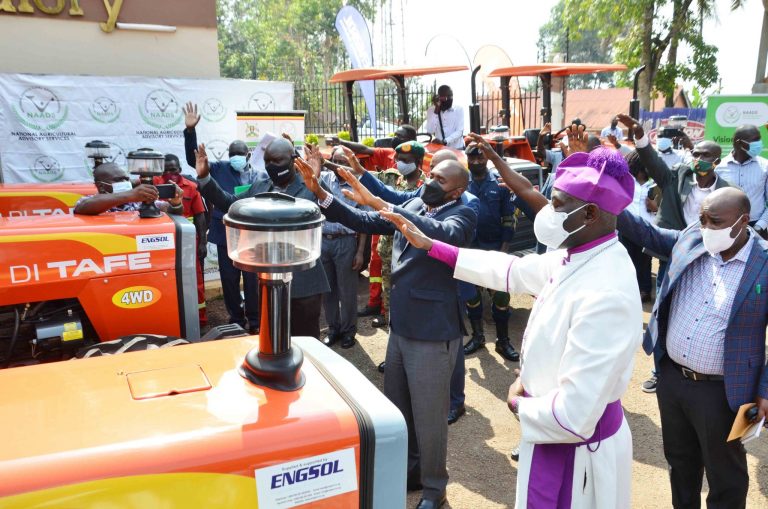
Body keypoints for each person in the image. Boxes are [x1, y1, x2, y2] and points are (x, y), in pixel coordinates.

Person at [387, 146, 641, 509]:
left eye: (557, 204)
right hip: (552, 438)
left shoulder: (607, 291)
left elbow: (575, 415)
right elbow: (510, 271)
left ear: (590, 212)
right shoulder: (579, 254)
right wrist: (433, 246)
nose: (547, 212)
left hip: (576, 455)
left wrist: (519, 402)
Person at [296, 154, 476, 509]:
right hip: (402, 327)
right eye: (431, 175)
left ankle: (434, 490)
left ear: (458, 189)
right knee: (399, 408)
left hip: (433, 331)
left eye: (441, 180)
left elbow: (436, 235)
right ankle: (412, 472)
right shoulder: (414, 201)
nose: (430, 182)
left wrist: (381, 202)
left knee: (430, 417)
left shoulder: (465, 214)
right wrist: (320, 192)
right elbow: (360, 217)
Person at [616, 186, 768, 509]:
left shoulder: (764, 264)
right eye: (701, 218)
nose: (705, 227)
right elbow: (647, 233)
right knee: (680, 464)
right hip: (672, 381)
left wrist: (765, 390)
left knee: (725, 477)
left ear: (742, 222)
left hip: (723, 393)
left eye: (714, 221)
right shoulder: (694, 237)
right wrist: (608, 201)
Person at [618, 113, 730, 393]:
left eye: (706, 156)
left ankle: (700, 366)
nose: (699, 160)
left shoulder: (727, 191)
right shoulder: (678, 176)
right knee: (663, 312)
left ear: (716, 160)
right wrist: (639, 138)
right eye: (696, 154)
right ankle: (659, 372)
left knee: (698, 313)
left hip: (709, 259)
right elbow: (653, 164)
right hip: (675, 252)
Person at [194, 138, 330, 339]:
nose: (271, 166)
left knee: (304, 342)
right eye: (267, 161)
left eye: (277, 161)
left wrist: (315, 182)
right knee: (273, 340)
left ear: (293, 160)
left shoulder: (312, 184)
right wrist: (205, 177)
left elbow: (310, 209)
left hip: (303, 284)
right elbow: (230, 203)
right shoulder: (260, 186)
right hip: (268, 281)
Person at [182, 101, 260, 332]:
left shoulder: (257, 175)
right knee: (228, 278)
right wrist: (190, 131)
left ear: (248, 155)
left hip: (251, 236)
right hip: (225, 234)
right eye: (232, 154)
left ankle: (255, 321)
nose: (235, 157)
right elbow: (193, 160)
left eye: (240, 154)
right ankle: (236, 318)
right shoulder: (219, 168)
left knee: (253, 280)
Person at [460, 141, 520, 362]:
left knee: (502, 298)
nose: (476, 161)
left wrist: (504, 251)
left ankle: (503, 342)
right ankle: (477, 338)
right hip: (469, 251)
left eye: (480, 158)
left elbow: (508, 219)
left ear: (487, 158)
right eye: (472, 158)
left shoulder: (499, 183)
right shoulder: (461, 182)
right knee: (472, 298)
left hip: (496, 250)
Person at [372, 141, 426, 329]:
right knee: (389, 296)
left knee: (411, 298)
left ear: (418, 161)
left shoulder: (426, 187)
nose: (399, 163)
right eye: (398, 159)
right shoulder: (392, 179)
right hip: (388, 251)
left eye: (405, 160)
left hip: (411, 254)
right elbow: (366, 179)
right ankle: (392, 333)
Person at [319, 147, 368, 349]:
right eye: (336, 160)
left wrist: (359, 251)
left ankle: (349, 331)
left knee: (347, 290)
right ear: (330, 161)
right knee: (327, 289)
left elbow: (365, 221)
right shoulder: (322, 179)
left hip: (346, 242)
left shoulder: (357, 185)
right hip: (323, 241)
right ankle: (334, 329)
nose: (340, 164)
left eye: (344, 161)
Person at [155, 154, 209, 326]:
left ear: (180, 169)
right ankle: (171, 318)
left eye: (175, 169)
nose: (171, 173)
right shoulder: (153, 186)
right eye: (167, 170)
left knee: (195, 280)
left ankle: (199, 320)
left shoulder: (191, 187)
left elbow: (200, 216)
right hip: (161, 243)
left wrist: (202, 243)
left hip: (188, 243)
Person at [715, 124, 768, 237]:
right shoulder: (719, 168)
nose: (759, 144)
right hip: (727, 229)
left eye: (759, 139)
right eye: (755, 140)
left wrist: (760, 226)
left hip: (757, 227)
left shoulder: (765, 166)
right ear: (739, 143)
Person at [74, 162, 183, 216]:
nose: (125, 183)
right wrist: (129, 195)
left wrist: (176, 203)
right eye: (119, 180)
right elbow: (82, 208)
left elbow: (172, 212)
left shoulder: (138, 203)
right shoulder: (88, 201)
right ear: (101, 186)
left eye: (126, 179)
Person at [622, 151, 659, 302]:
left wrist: (655, 207)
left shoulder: (655, 182)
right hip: (627, 226)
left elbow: (662, 207)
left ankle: (644, 290)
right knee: (627, 259)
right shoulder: (626, 180)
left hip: (647, 226)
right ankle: (628, 289)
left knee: (644, 260)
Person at [427, 85, 464, 149]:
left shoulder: (458, 109)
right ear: (439, 98)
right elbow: (430, 130)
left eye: (450, 97)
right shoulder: (432, 110)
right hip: (440, 149)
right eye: (444, 98)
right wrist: (436, 109)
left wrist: (444, 141)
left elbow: (459, 131)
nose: (449, 100)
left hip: (457, 149)